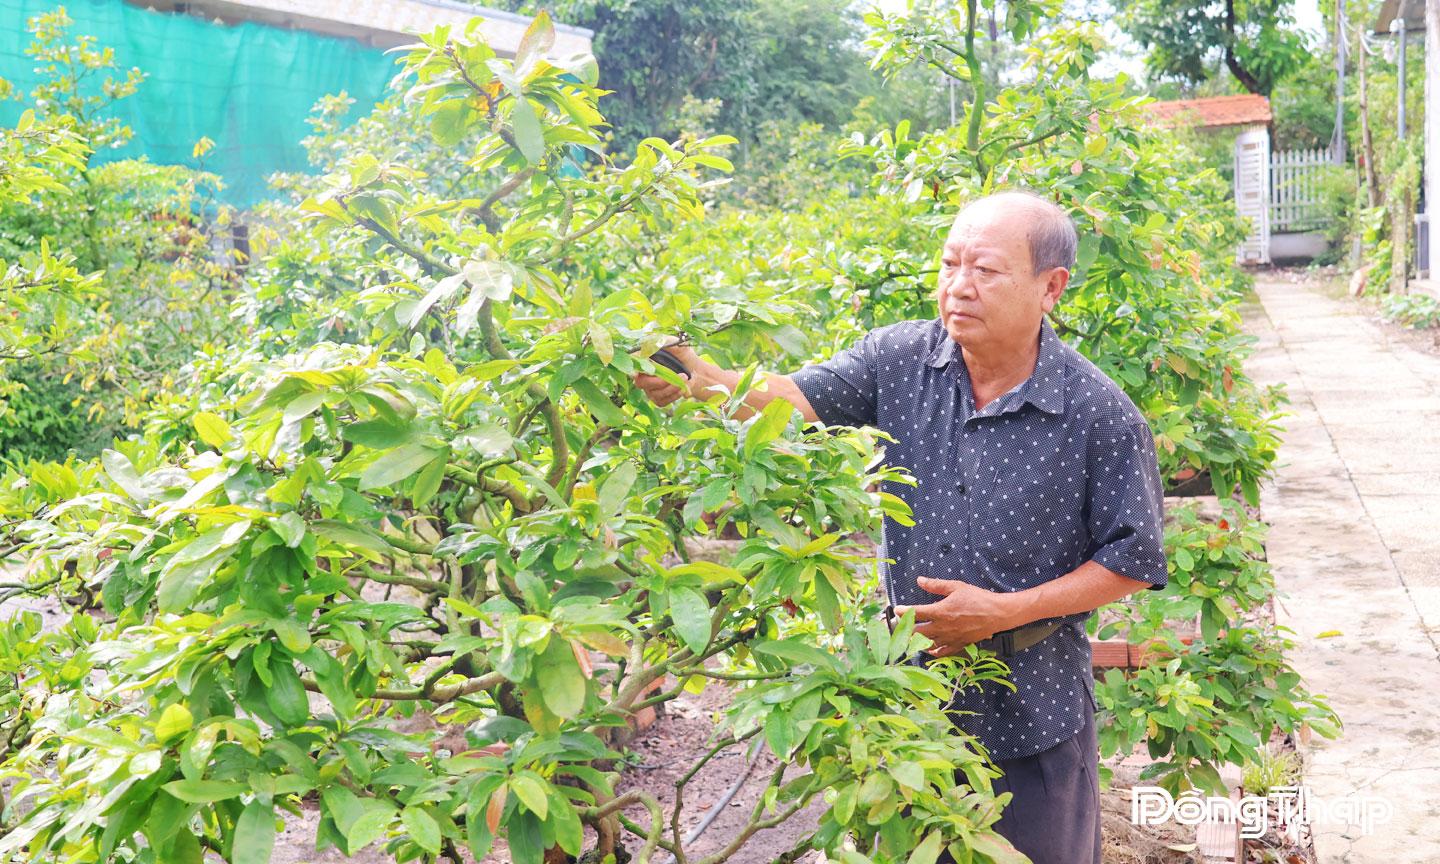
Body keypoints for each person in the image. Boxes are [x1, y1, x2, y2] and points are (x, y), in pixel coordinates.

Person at [634, 190, 1167, 864]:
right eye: (949, 265)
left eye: (986, 271)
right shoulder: (901, 361)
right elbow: (795, 399)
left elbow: (1134, 558)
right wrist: (700, 380)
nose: (959, 287)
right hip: (904, 716)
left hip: (1036, 716)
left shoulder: (1099, 414)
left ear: (1051, 288)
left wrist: (1004, 612)